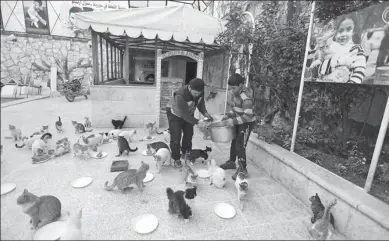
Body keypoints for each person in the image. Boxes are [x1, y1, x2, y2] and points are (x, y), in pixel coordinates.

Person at [166, 78, 213, 168]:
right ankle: (176, 158)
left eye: (199, 93)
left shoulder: (199, 92)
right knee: (176, 136)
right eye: (195, 93)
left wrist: (206, 114)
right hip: (174, 113)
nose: (197, 95)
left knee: (189, 134)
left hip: (188, 113)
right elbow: (185, 116)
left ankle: (185, 152)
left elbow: (201, 105)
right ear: (190, 88)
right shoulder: (180, 95)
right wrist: (198, 122)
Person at [219, 73, 256, 181]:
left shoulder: (246, 98)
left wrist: (233, 121)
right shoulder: (235, 95)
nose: (232, 90)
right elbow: (235, 110)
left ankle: (243, 169)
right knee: (234, 142)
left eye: (234, 88)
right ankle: (232, 162)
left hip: (246, 124)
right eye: (230, 88)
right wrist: (228, 115)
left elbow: (248, 116)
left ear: (240, 85)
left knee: (240, 145)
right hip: (238, 122)